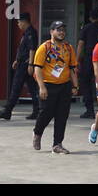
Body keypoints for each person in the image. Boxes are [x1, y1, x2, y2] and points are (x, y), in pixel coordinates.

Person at [32, 21, 79, 153]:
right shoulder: (44, 47)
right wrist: (42, 87)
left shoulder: (68, 48)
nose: (61, 32)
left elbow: (72, 68)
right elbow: (37, 69)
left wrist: (75, 85)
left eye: (63, 30)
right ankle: (37, 132)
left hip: (64, 86)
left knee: (62, 115)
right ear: (51, 31)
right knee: (46, 113)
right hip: (48, 85)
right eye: (58, 30)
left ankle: (57, 144)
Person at [0, 13, 39, 121]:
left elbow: (32, 49)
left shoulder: (31, 33)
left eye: (19, 22)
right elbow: (23, 49)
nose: (18, 24)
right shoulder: (26, 33)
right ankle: (37, 111)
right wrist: (16, 60)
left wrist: (30, 64)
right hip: (22, 63)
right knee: (33, 89)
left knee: (16, 87)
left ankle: (7, 111)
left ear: (24, 21)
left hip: (25, 65)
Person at [76, 9, 98, 120]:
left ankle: (90, 110)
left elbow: (81, 44)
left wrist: (77, 60)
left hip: (89, 58)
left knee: (85, 83)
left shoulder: (86, 28)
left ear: (90, 17)